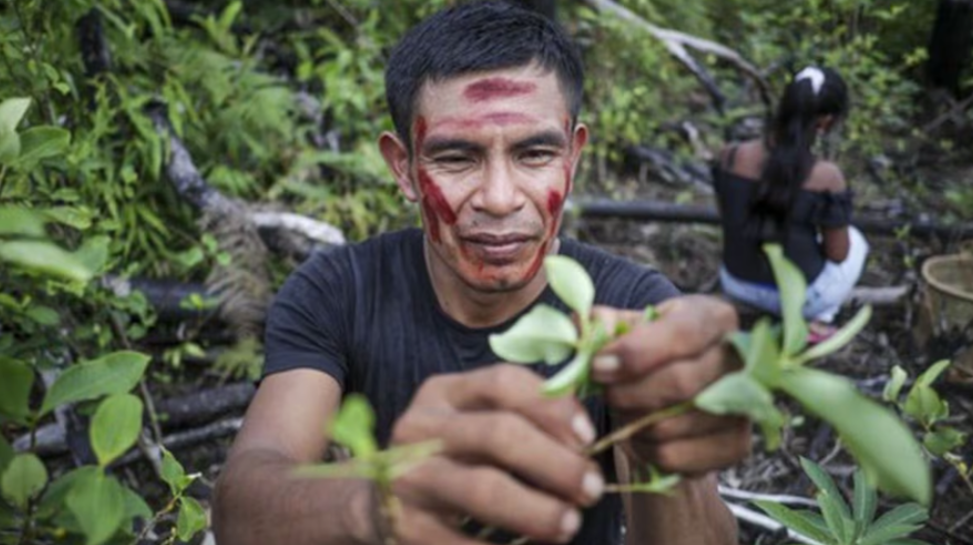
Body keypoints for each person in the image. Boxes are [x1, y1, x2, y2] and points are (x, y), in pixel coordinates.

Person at [213, 2, 748, 544]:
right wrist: (380, 502)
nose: (498, 198)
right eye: (456, 158)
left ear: (573, 157)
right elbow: (242, 505)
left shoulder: (632, 310)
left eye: (534, 153)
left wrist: (662, 448)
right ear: (404, 168)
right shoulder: (340, 291)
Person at [713, 66, 869, 340]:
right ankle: (821, 319)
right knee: (856, 242)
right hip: (798, 298)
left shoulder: (729, 156)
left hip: (735, 282)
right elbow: (838, 254)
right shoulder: (826, 176)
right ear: (825, 122)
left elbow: (731, 214)